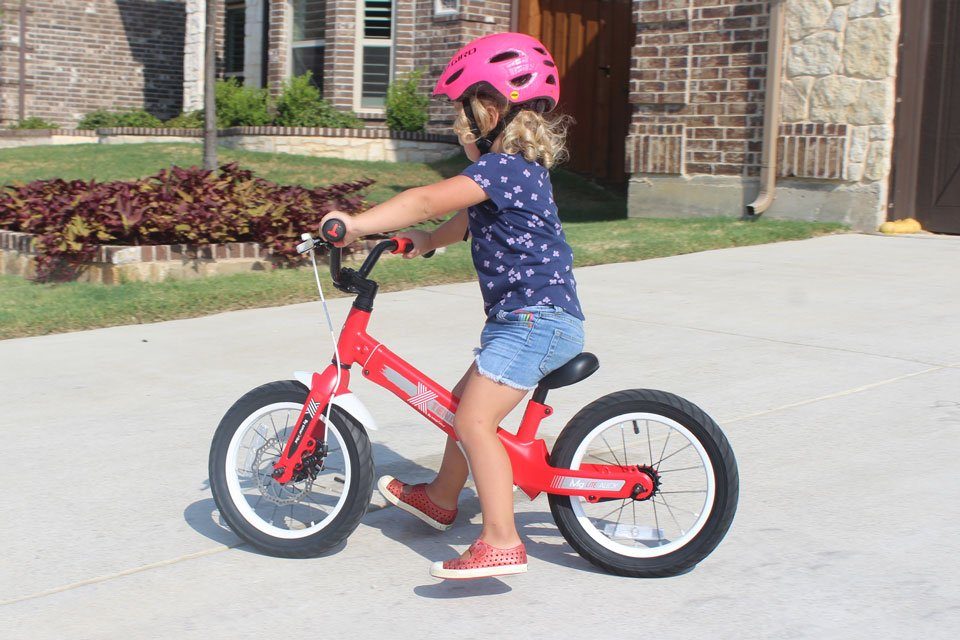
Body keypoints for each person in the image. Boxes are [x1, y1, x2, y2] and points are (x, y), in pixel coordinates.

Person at [318, 32, 584, 580]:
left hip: (535, 323)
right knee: (455, 404)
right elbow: (462, 218)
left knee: (472, 419)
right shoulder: (513, 176)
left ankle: (502, 540)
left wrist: (358, 224)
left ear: (491, 108)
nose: (458, 128)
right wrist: (426, 241)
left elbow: (425, 199)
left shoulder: (502, 169)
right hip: (527, 321)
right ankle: (441, 497)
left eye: (463, 116)